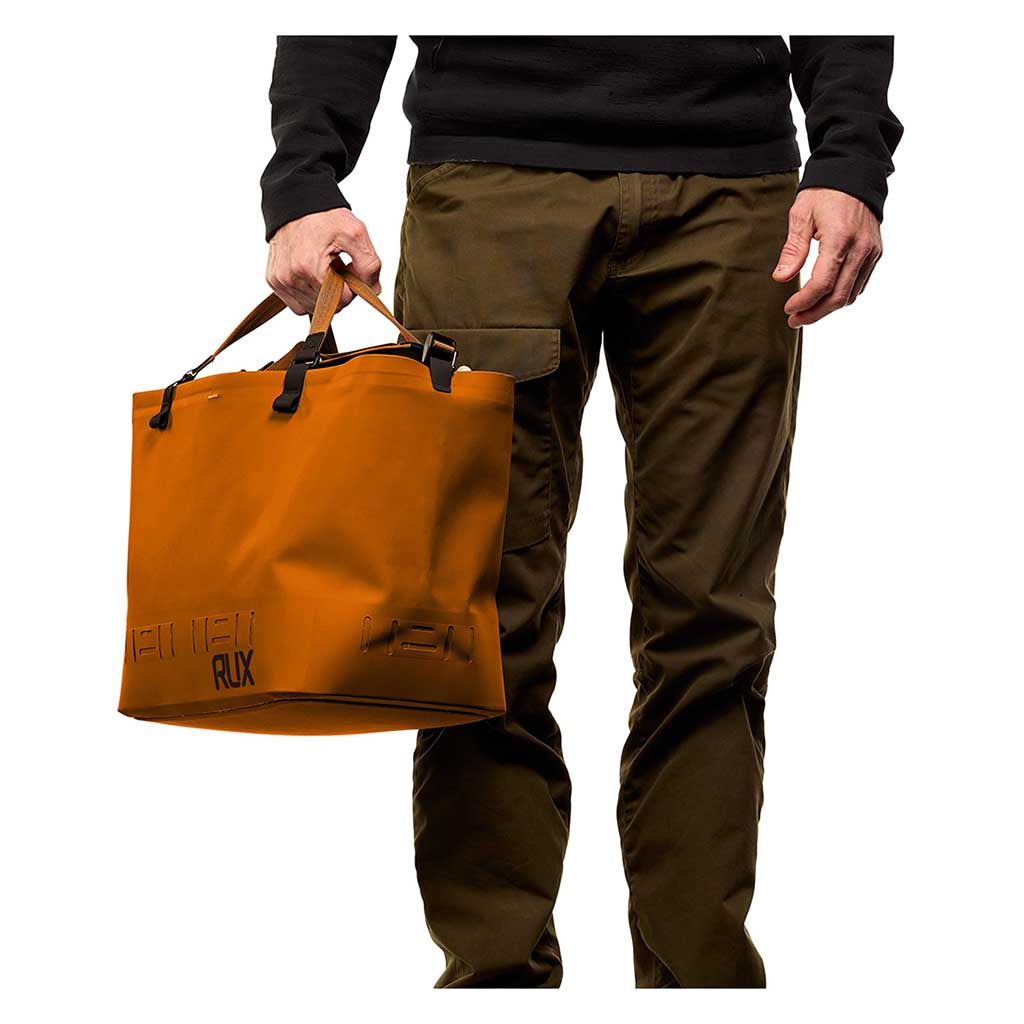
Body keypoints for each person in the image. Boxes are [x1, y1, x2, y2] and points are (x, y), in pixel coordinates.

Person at [260, 36, 902, 988]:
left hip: (733, 188)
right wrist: (305, 173)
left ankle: (703, 994)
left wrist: (849, 151)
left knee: (713, 622)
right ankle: (496, 987)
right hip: (490, 177)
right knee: (476, 625)